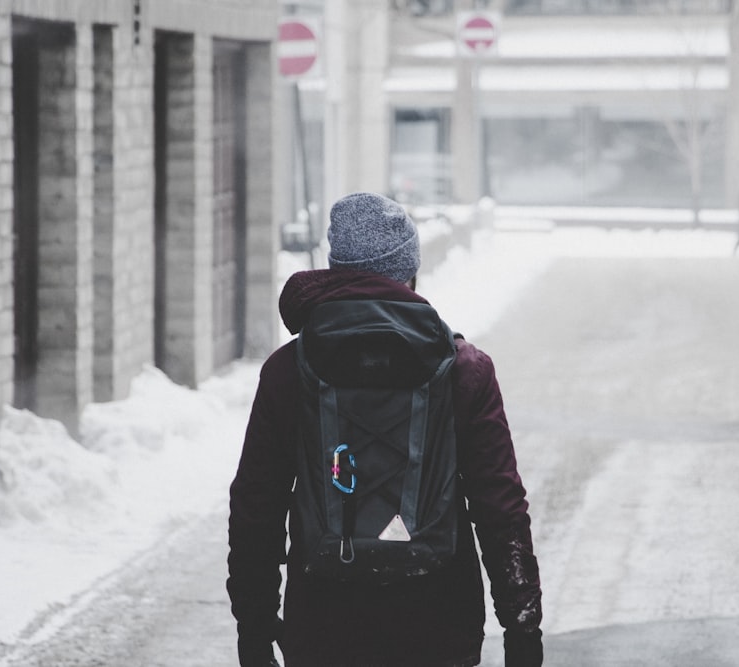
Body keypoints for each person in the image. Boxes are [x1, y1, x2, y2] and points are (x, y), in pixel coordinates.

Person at [227, 192, 543, 667]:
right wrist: (523, 629)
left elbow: (256, 507)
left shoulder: (290, 370)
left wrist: (254, 632)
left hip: (323, 628)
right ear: (410, 274)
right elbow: (500, 511)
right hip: (438, 626)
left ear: (336, 271)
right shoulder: (463, 370)